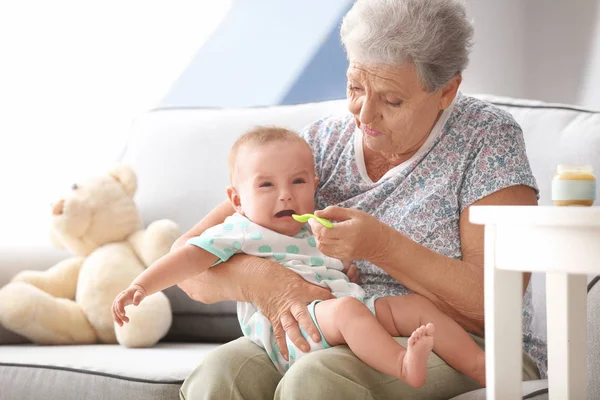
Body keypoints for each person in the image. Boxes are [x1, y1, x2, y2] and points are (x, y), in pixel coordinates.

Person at [176, 0, 546, 398]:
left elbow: (495, 301)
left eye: (391, 100)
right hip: (333, 327)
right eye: (355, 88)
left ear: (446, 91)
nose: (364, 115)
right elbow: (187, 263)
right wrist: (267, 281)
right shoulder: (317, 145)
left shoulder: (486, 139)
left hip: (463, 344)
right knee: (219, 374)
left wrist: (382, 246)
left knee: (317, 378)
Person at [112, 127, 486, 388]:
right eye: (266, 185)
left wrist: (347, 270)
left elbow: (339, 274)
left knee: (414, 306)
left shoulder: (313, 228)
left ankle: (480, 365)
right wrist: (141, 285)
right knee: (348, 312)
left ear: (314, 185)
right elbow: (187, 259)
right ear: (237, 199)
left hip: (341, 312)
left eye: (298, 182)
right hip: (294, 335)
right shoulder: (239, 229)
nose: (286, 196)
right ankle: (402, 366)